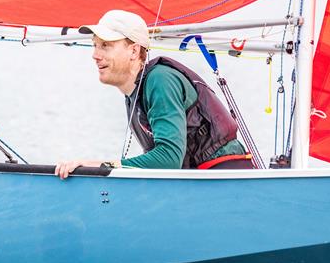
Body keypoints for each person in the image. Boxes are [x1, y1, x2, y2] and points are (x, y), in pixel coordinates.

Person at [55, 10, 251, 178]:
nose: (95, 54)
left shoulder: (160, 80)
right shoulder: (134, 93)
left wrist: (101, 166)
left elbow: (169, 160)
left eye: (106, 45)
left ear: (133, 51)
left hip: (225, 182)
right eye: (95, 45)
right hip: (199, 186)